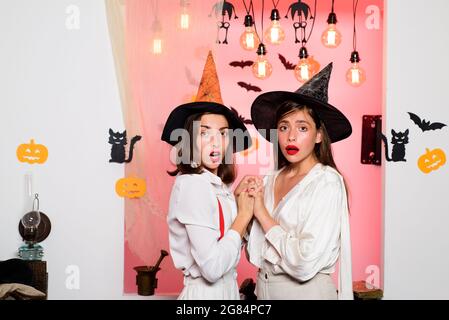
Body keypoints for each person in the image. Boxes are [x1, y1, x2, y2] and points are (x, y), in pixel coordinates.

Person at [245, 63, 354, 300]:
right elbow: (255, 251)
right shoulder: (269, 180)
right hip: (262, 292)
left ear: (318, 135)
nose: (291, 136)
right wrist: (242, 205)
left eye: (302, 127)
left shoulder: (326, 183)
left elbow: (305, 263)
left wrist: (262, 214)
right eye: (284, 127)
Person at [161, 51, 255, 300]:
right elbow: (212, 269)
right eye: (205, 133)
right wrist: (243, 215)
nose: (216, 142)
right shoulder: (193, 185)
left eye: (223, 133)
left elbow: (228, 247)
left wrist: (238, 202)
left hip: (228, 292)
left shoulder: (216, 185)